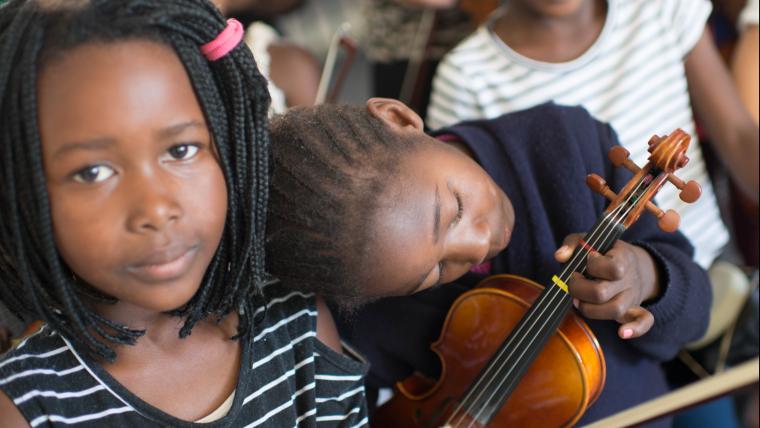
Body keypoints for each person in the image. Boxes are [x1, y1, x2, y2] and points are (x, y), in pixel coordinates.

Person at [0, 1, 368, 426]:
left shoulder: (298, 323)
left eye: (181, 150)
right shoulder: (25, 407)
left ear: (231, 151)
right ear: (19, 197)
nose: (156, 210)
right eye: (92, 172)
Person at [266, 98, 712, 426]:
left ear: (398, 118)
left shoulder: (561, 143)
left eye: (455, 210)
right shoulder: (370, 305)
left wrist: (649, 279)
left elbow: (695, 320)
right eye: (434, 273)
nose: (478, 246)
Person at [426, 0, 760, 274]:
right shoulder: (465, 75)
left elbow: (739, 136)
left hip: (713, 268)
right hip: (581, 298)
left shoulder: (658, 7)